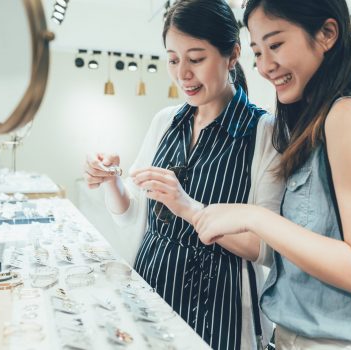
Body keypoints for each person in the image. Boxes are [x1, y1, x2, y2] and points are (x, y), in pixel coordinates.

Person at [193, 0, 351, 349]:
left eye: (276, 45)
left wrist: (253, 217)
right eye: (257, 52)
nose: (265, 66)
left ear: (327, 34)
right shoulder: (316, 120)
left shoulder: (350, 114)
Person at [83, 1, 283, 348]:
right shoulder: (166, 121)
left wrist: (189, 207)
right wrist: (111, 179)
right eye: (173, 59)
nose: (182, 74)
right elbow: (133, 214)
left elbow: (265, 247)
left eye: (196, 58)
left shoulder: (264, 131)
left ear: (232, 55)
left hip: (220, 308)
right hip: (150, 287)